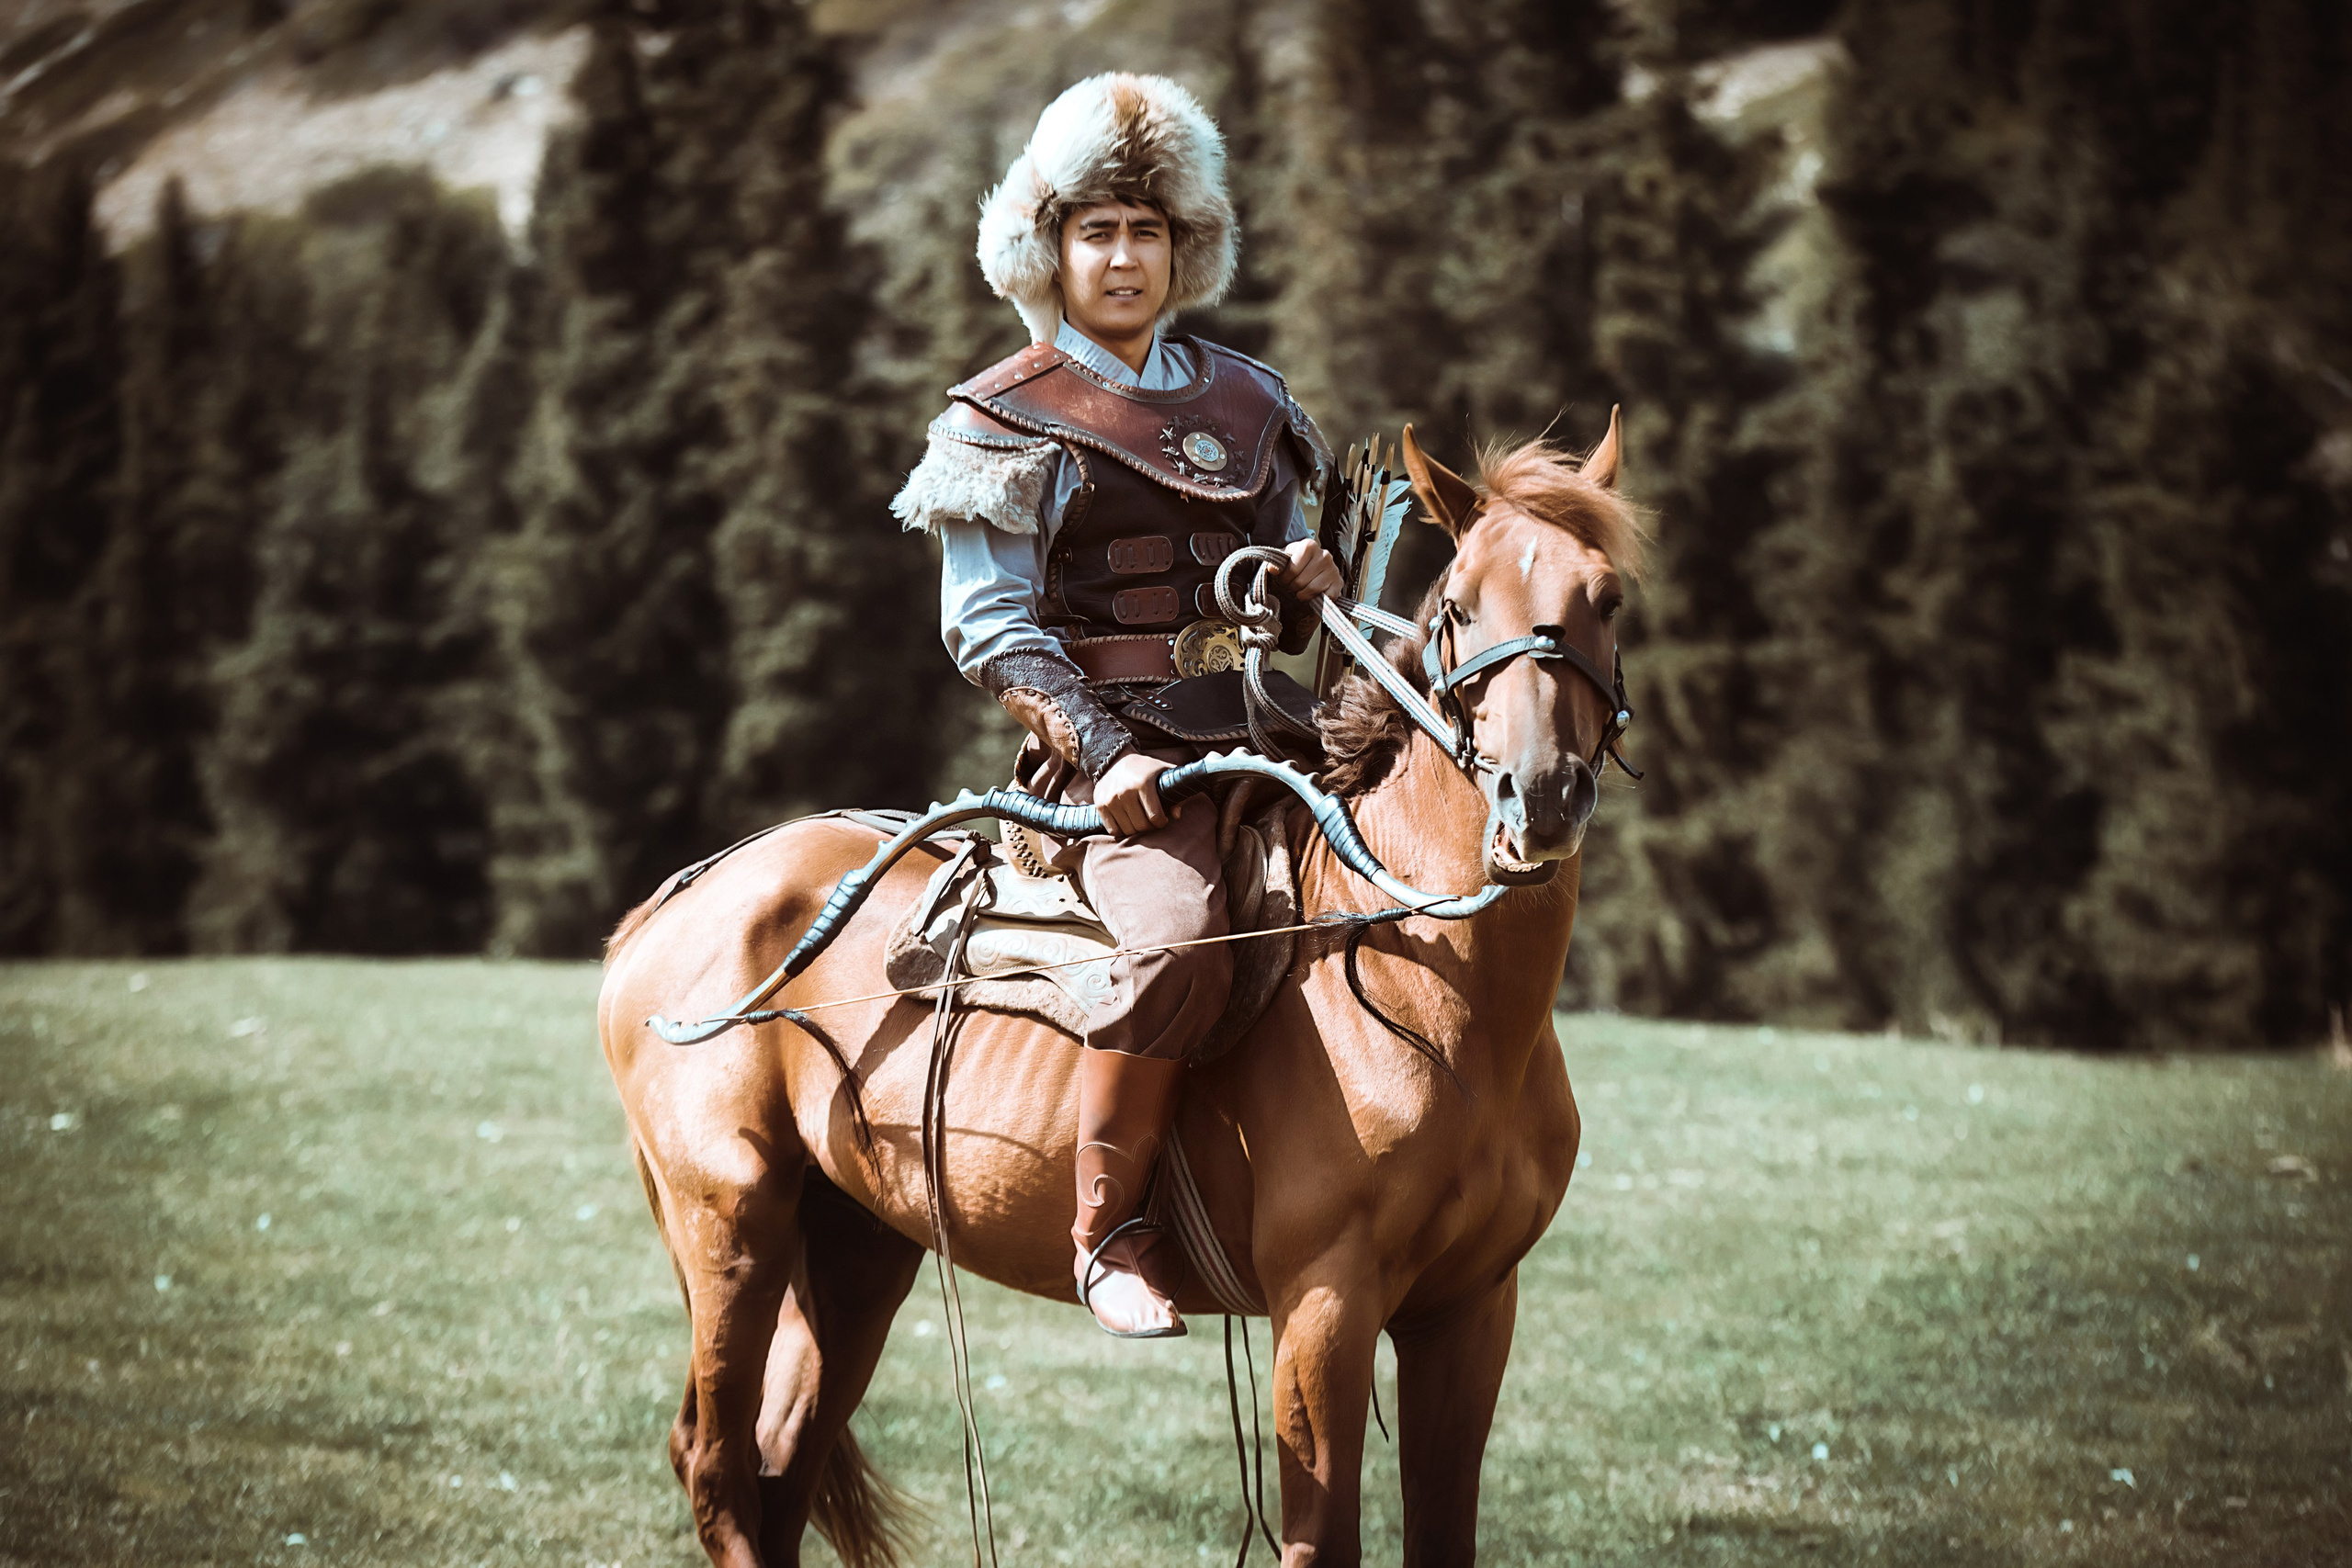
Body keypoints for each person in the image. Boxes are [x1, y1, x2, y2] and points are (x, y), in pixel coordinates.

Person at [892, 73, 1340, 1338]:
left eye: (1148, 231)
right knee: (1183, 933)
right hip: (1114, 769)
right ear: (1051, 246)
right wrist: (1099, 757)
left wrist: (1307, 585)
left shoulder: (1252, 404)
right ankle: (1107, 1235)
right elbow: (987, 627)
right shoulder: (1001, 415)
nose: (1125, 256)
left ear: (1184, 246)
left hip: (1272, 738)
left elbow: (1275, 592)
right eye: (1098, 230)